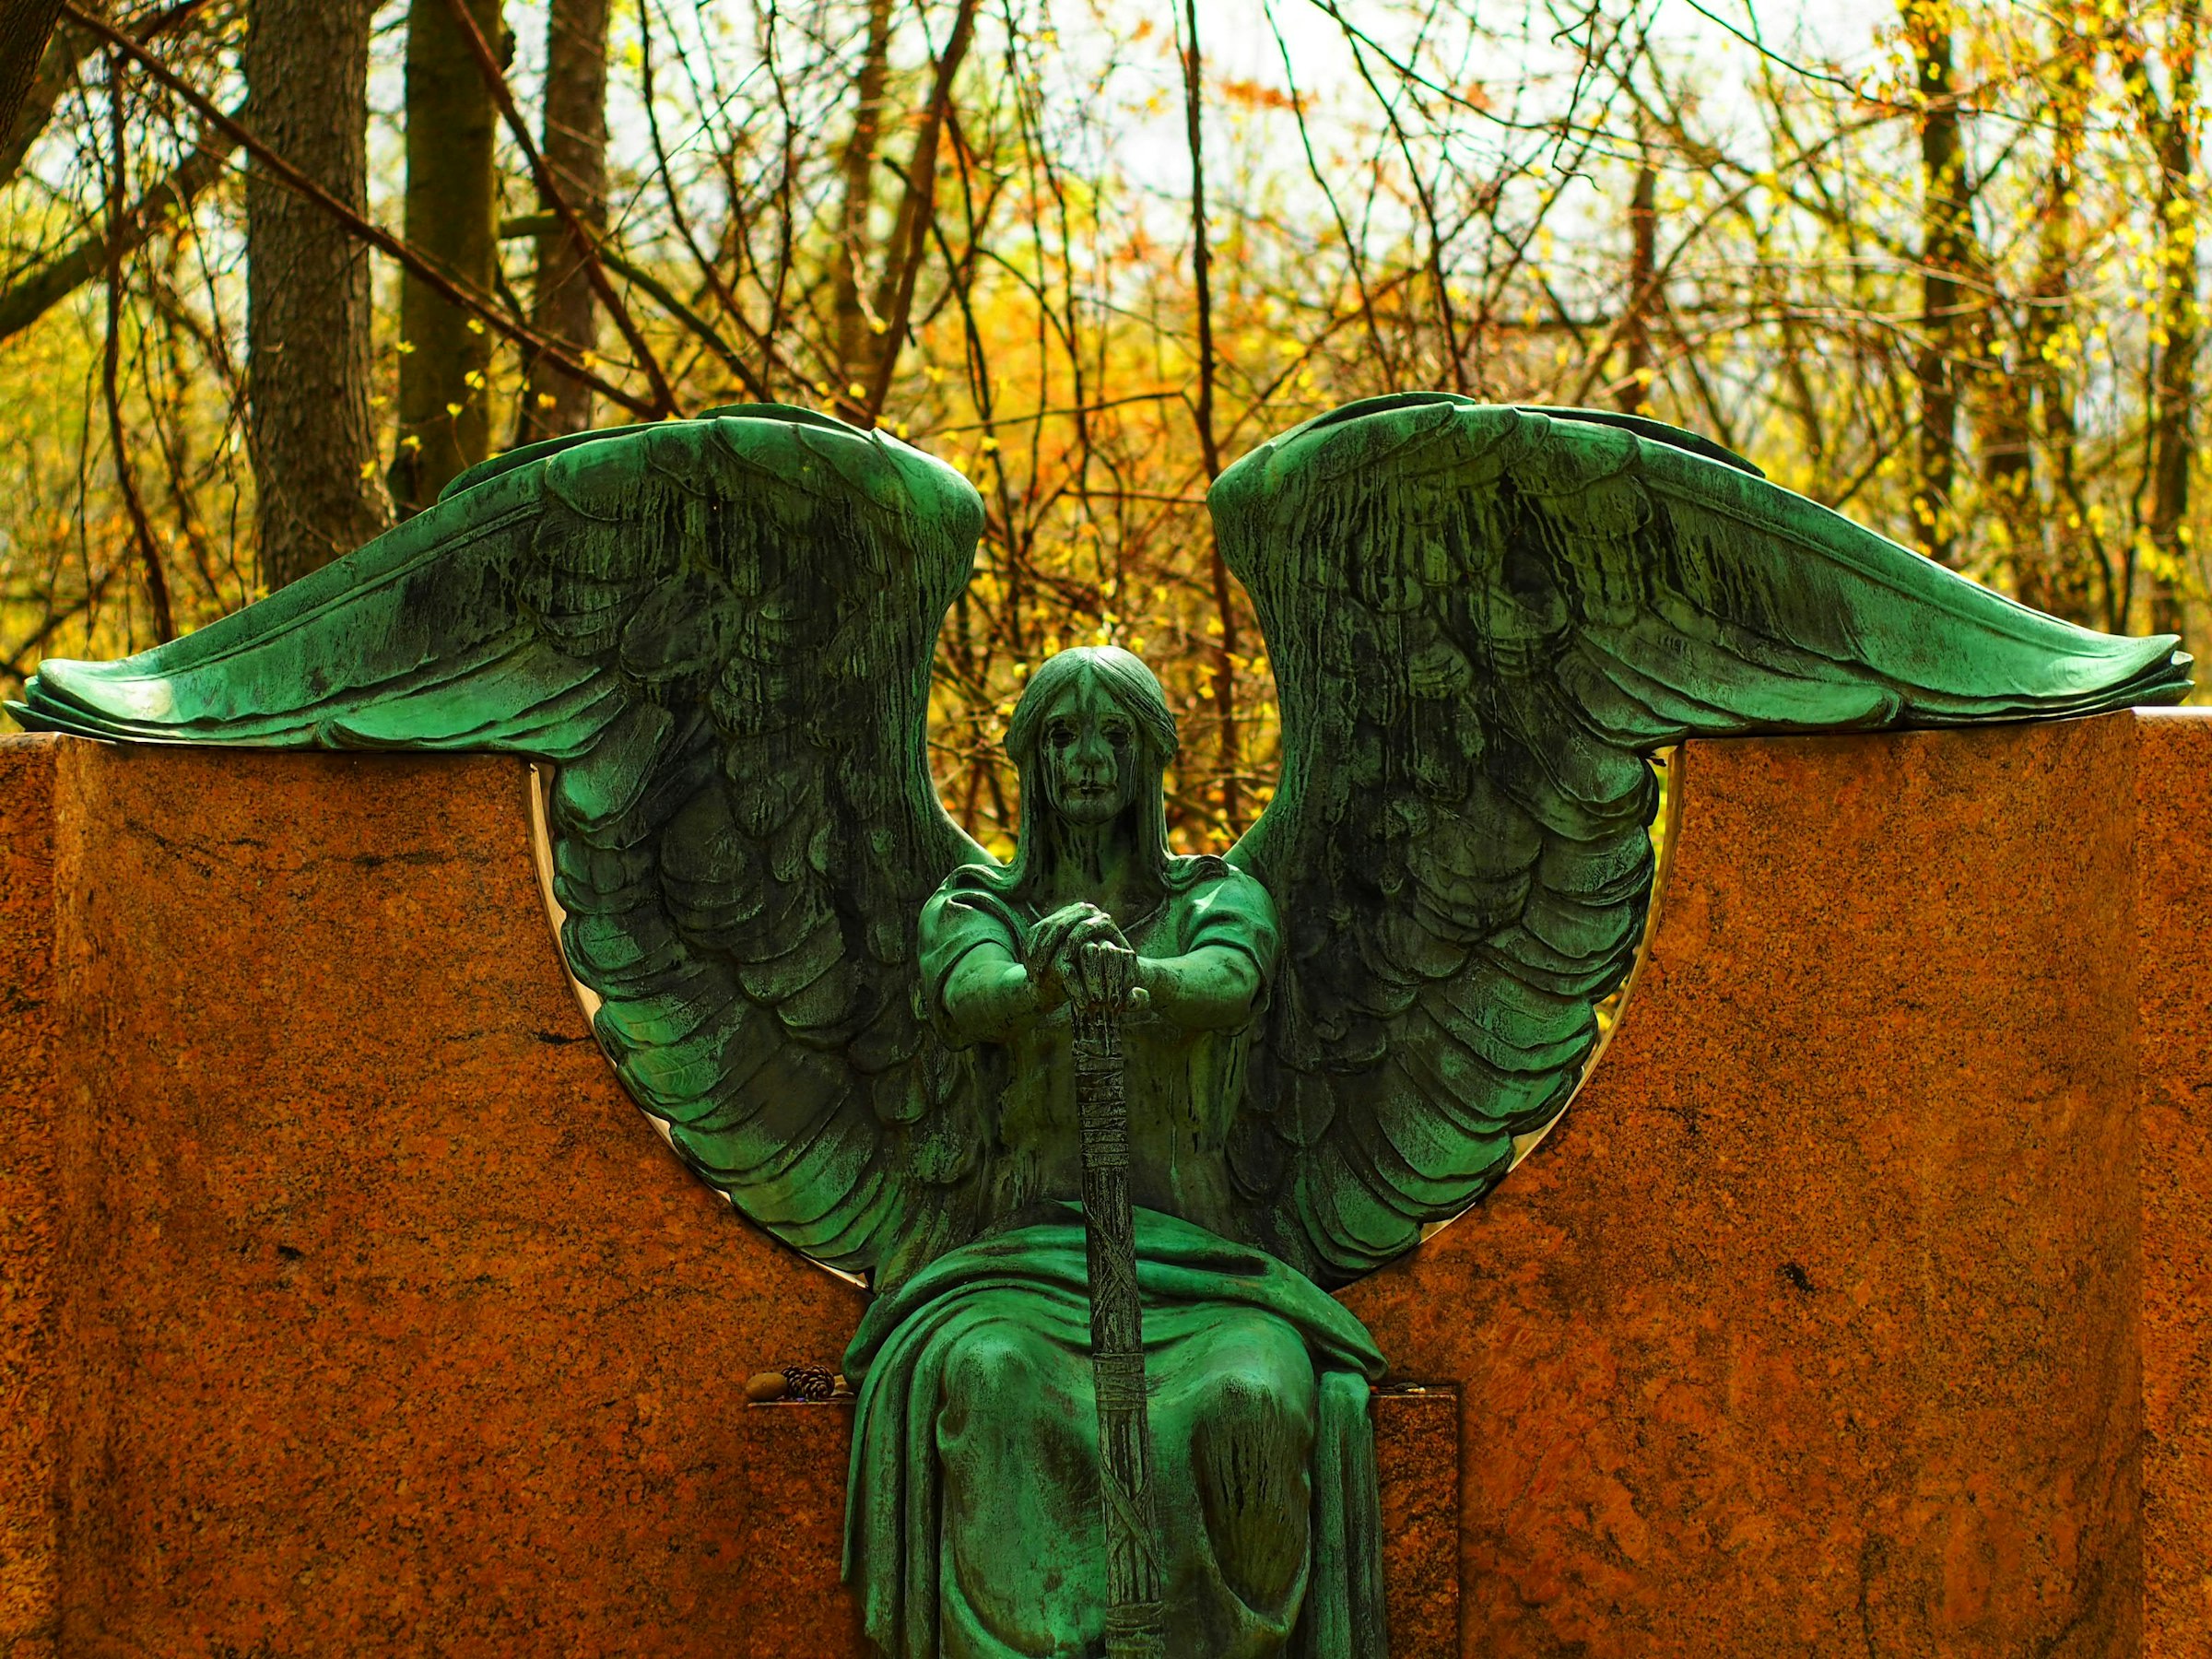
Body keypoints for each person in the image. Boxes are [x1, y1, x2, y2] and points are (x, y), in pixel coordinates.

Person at [842, 647, 1387, 1659]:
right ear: (1029, 762)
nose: (1086, 759)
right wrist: (1043, 978)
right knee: (993, 1380)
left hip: (1203, 1280)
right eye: (1060, 736)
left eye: (1113, 735)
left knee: (1254, 1401)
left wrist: (1137, 977)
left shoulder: (1221, 901)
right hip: (1018, 1274)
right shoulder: (975, 911)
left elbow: (1228, 981)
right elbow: (971, 996)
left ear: (1152, 760)